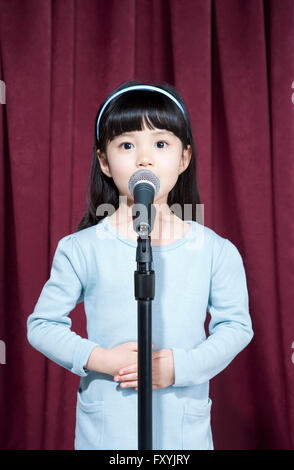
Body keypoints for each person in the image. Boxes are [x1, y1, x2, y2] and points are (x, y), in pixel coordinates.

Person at [27, 79, 254, 450]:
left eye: (161, 144)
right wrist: (100, 358)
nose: (144, 158)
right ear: (104, 160)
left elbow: (236, 327)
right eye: (127, 145)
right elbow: (41, 325)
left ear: (184, 158)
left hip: (183, 431)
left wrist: (179, 368)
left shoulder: (216, 250)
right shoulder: (80, 248)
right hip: (106, 431)